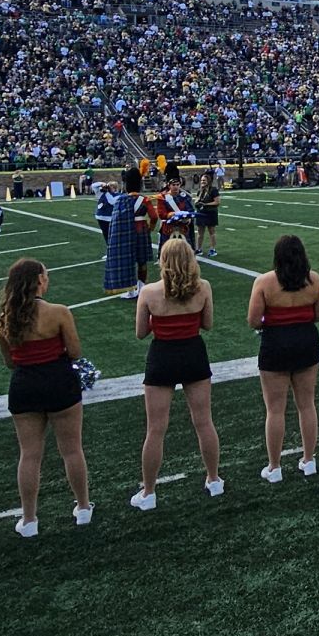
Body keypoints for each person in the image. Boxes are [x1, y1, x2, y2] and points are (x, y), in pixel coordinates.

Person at [0, 257, 92, 535]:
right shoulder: (59, 312)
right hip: (59, 382)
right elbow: (74, 351)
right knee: (72, 449)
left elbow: (9, 361)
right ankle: (83, 508)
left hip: (24, 385)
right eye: (46, 276)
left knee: (29, 455)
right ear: (39, 281)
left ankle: (29, 520)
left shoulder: (5, 318)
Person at [133, 235, 222, 508]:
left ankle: (148, 493)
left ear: (163, 261)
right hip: (193, 354)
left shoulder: (149, 292)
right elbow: (207, 324)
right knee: (203, 422)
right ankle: (214, 480)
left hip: (162, 356)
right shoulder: (203, 287)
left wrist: (159, 319)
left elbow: (140, 333)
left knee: (156, 429)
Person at [249, 234, 319, 481]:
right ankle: (309, 460)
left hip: (276, 344)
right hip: (305, 341)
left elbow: (253, 320)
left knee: (275, 409)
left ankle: (274, 467)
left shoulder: (264, 282)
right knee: (307, 404)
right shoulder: (313, 281)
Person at [104, 168, 147, 295]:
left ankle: (130, 290)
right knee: (142, 261)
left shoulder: (121, 200)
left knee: (128, 261)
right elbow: (154, 216)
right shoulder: (144, 200)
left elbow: (115, 221)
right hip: (141, 233)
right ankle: (142, 287)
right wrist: (148, 228)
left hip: (124, 236)